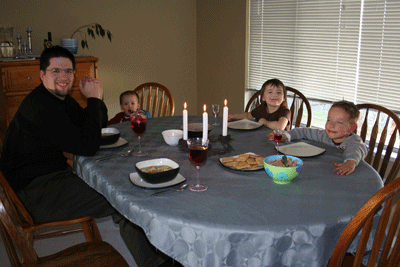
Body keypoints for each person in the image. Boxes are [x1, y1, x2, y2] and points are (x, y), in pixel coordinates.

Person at [0, 46, 178, 267]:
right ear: (42, 75)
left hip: (47, 179)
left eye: (68, 71)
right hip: (34, 195)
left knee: (118, 188)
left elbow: (95, 127)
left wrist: (95, 100)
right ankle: (158, 264)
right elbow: (88, 145)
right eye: (56, 71)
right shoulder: (42, 108)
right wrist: (94, 100)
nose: (64, 77)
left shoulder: (56, 99)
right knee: (121, 199)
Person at [268, 100, 367, 175]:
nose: (331, 125)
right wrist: (285, 136)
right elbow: (304, 131)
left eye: (339, 122)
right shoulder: (324, 135)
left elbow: (357, 149)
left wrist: (350, 162)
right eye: (329, 120)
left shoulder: (353, 141)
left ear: (352, 128)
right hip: (324, 171)